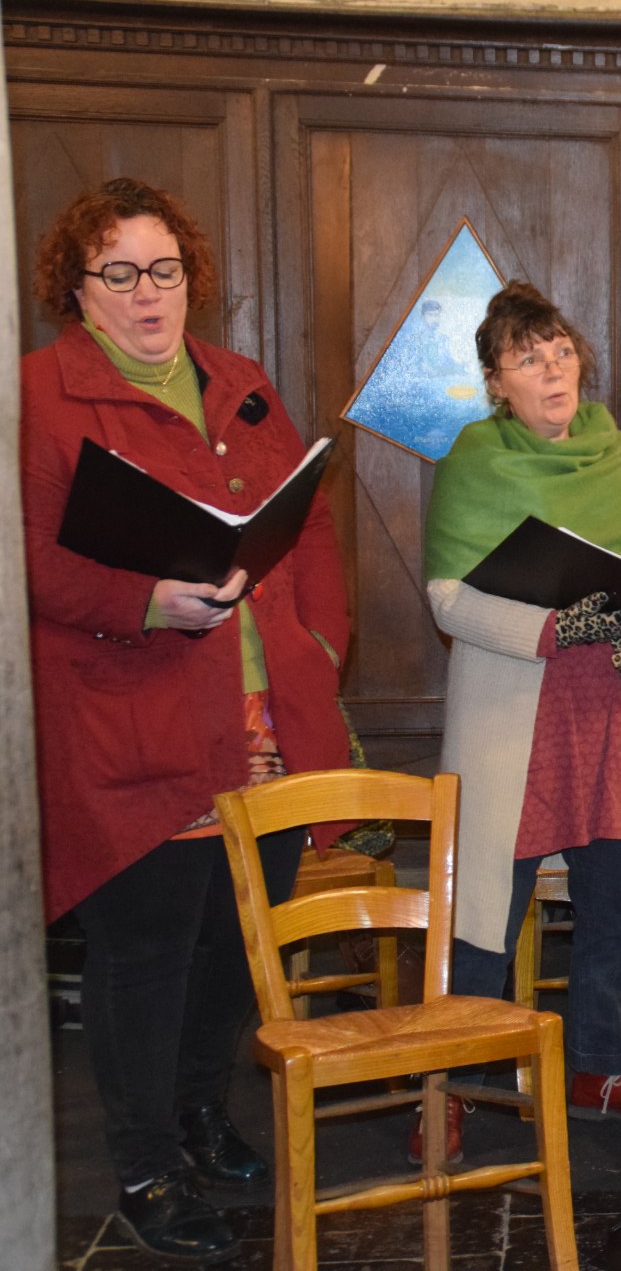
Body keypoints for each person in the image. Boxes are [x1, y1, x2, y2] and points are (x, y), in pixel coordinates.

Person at [22, 178, 352, 1264]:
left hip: (263, 716)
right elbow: (26, 563)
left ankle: (205, 1116)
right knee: (149, 952)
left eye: (163, 267)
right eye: (119, 271)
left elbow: (303, 527)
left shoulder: (240, 380)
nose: (147, 291)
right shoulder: (39, 396)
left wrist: (317, 645)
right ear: (78, 288)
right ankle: (147, 1160)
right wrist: (144, 599)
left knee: (235, 940)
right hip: (136, 716)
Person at [423, 280, 621, 1146]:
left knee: (614, 902)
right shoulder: (474, 462)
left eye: (561, 351)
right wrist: (549, 627)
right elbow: (448, 599)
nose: (552, 369)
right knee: (491, 908)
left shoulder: (619, 456)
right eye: (529, 358)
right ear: (496, 382)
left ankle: (603, 1069)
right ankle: (451, 1083)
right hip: (515, 713)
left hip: (611, 709)